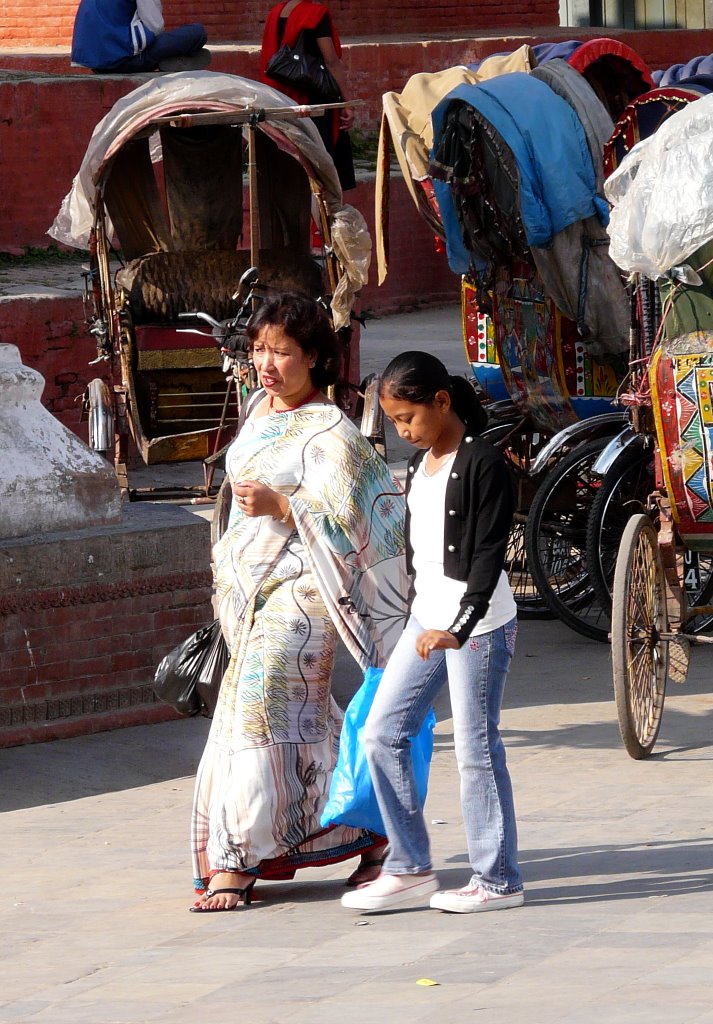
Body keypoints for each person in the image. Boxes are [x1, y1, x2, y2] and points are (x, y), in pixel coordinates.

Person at [190, 293, 407, 912]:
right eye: (259, 348)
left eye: (281, 350)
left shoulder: (332, 431)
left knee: (260, 711)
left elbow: (368, 518)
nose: (266, 361)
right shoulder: (258, 412)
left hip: (307, 592)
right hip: (250, 595)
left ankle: (237, 862)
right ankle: (371, 828)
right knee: (301, 723)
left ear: (314, 357)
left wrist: (287, 507)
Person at [341, 351, 524, 914]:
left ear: (441, 401)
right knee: (382, 732)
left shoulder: (485, 465)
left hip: (479, 626)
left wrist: (459, 627)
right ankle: (409, 867)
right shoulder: (421, 465)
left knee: (476, 748)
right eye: (394, 422)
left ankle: (498, 881)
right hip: (428, 621)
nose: (402, 432)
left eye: (408, 419)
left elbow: (490, 559)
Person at [260, 1, 356, 191]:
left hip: (280, 98)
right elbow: (331, 61)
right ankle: (322, 216)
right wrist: (347, 102)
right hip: (313, 97)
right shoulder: (315, 13)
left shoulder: (276, 12)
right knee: (322, 165)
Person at [71, 0, 210, 74]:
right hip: (123, 62)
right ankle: (173, 58)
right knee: (197, 33)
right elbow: (155, 26)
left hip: (96, 64)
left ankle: (172, 59)